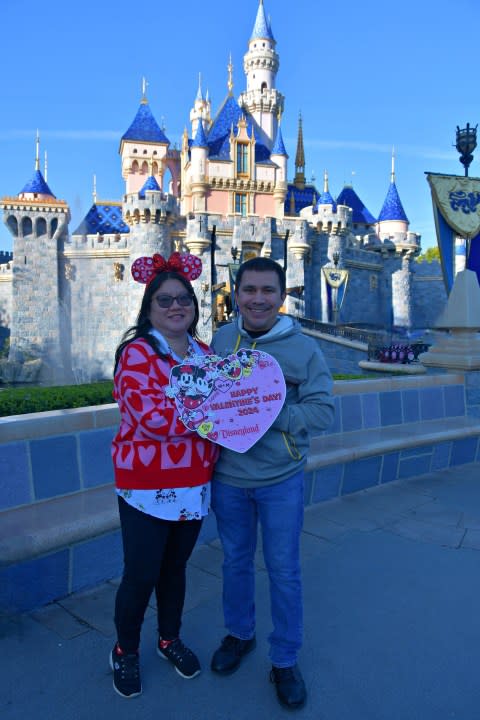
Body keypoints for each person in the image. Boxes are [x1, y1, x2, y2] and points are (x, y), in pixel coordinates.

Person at [210, 256, 334, 710]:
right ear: (236, 294)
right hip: (228, 478)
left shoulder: (305, 351)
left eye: (268, 291)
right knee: (235, 562)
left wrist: (271, 413)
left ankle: (284, 658)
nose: (258, 299)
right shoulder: (223, 340)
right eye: (249, 290)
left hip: (280, 479)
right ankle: (239, 635)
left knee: (283, 570)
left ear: (282, 298)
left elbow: (322, 411)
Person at [110, 251, 219, 698]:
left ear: (194, 306)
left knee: (175, 571)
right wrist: (214, 411)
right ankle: (125, 650)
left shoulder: (205, 353)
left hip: (193, 484)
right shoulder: (136, 354)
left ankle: (168, 638)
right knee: (141, 575)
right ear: (149, 308)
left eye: (184, 299)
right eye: (165, 300)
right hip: (145, 488)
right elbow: (152, 418)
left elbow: (225, 412)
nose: (176, 306)